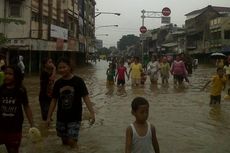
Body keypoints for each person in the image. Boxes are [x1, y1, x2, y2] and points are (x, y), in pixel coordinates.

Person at [46, 57, 95, 148]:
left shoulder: (79, 81)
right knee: (64, 142)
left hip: (75, 117)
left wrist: (92, 113)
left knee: (72, 141)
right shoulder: (58, 83)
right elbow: (54, 100)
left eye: (64, 67)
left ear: (70, 67)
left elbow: (86, 97)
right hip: (61, 117)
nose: (62, 70)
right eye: (60, 68)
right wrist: (49, 117)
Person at [0, 65, 34, 153]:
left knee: (13, 150)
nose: (7, 76)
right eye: (6, 73)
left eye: (10, 74)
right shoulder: (1, 89)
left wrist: (32, 124)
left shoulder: (21, 90)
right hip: (1, 126)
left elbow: (26, 107)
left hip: (15, 128)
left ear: (16, 76)